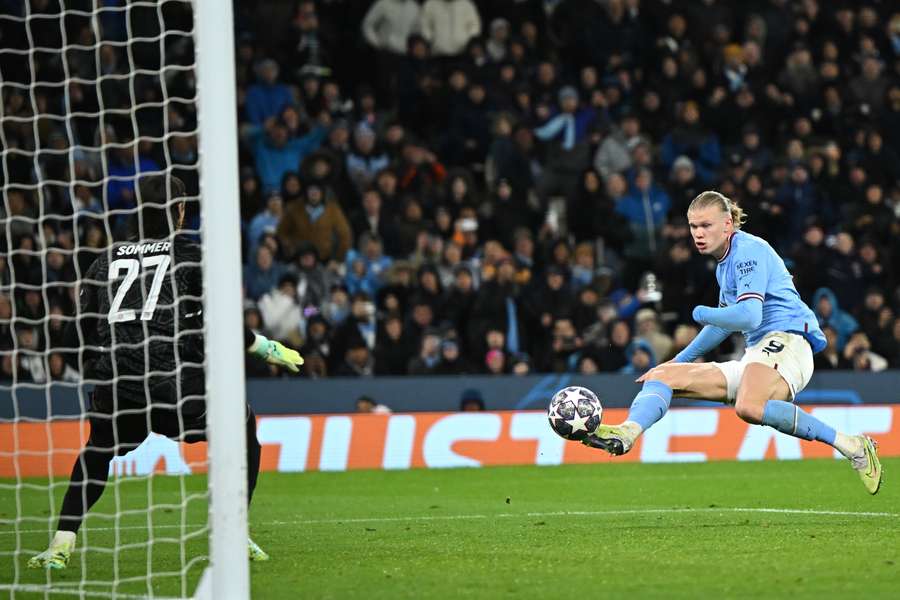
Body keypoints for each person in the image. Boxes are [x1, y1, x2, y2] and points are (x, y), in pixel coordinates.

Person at [28, 175, 304, 570]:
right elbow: (220, 321)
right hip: (175, 389)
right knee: (242, 428)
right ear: (178, 211)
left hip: (118, 386)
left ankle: (60, 545)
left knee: (97, 451)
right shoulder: (190, 254)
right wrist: (267, 348)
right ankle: (232, 534)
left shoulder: (103, 260)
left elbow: (80, 332)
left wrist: (101, 368)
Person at [581, 191, 882, 495]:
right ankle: (627, 433)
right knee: (662, 377)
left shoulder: (749, 251)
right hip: (758, 352)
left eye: (706, 226)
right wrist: (677, 360)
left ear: (727, 225)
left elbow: (749, 316)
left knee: (749, 406)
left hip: (789, 340)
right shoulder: (725, 264)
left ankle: (851, 446)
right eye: (693, 227)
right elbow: (721, 326)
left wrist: (701, 312)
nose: (698, 233)